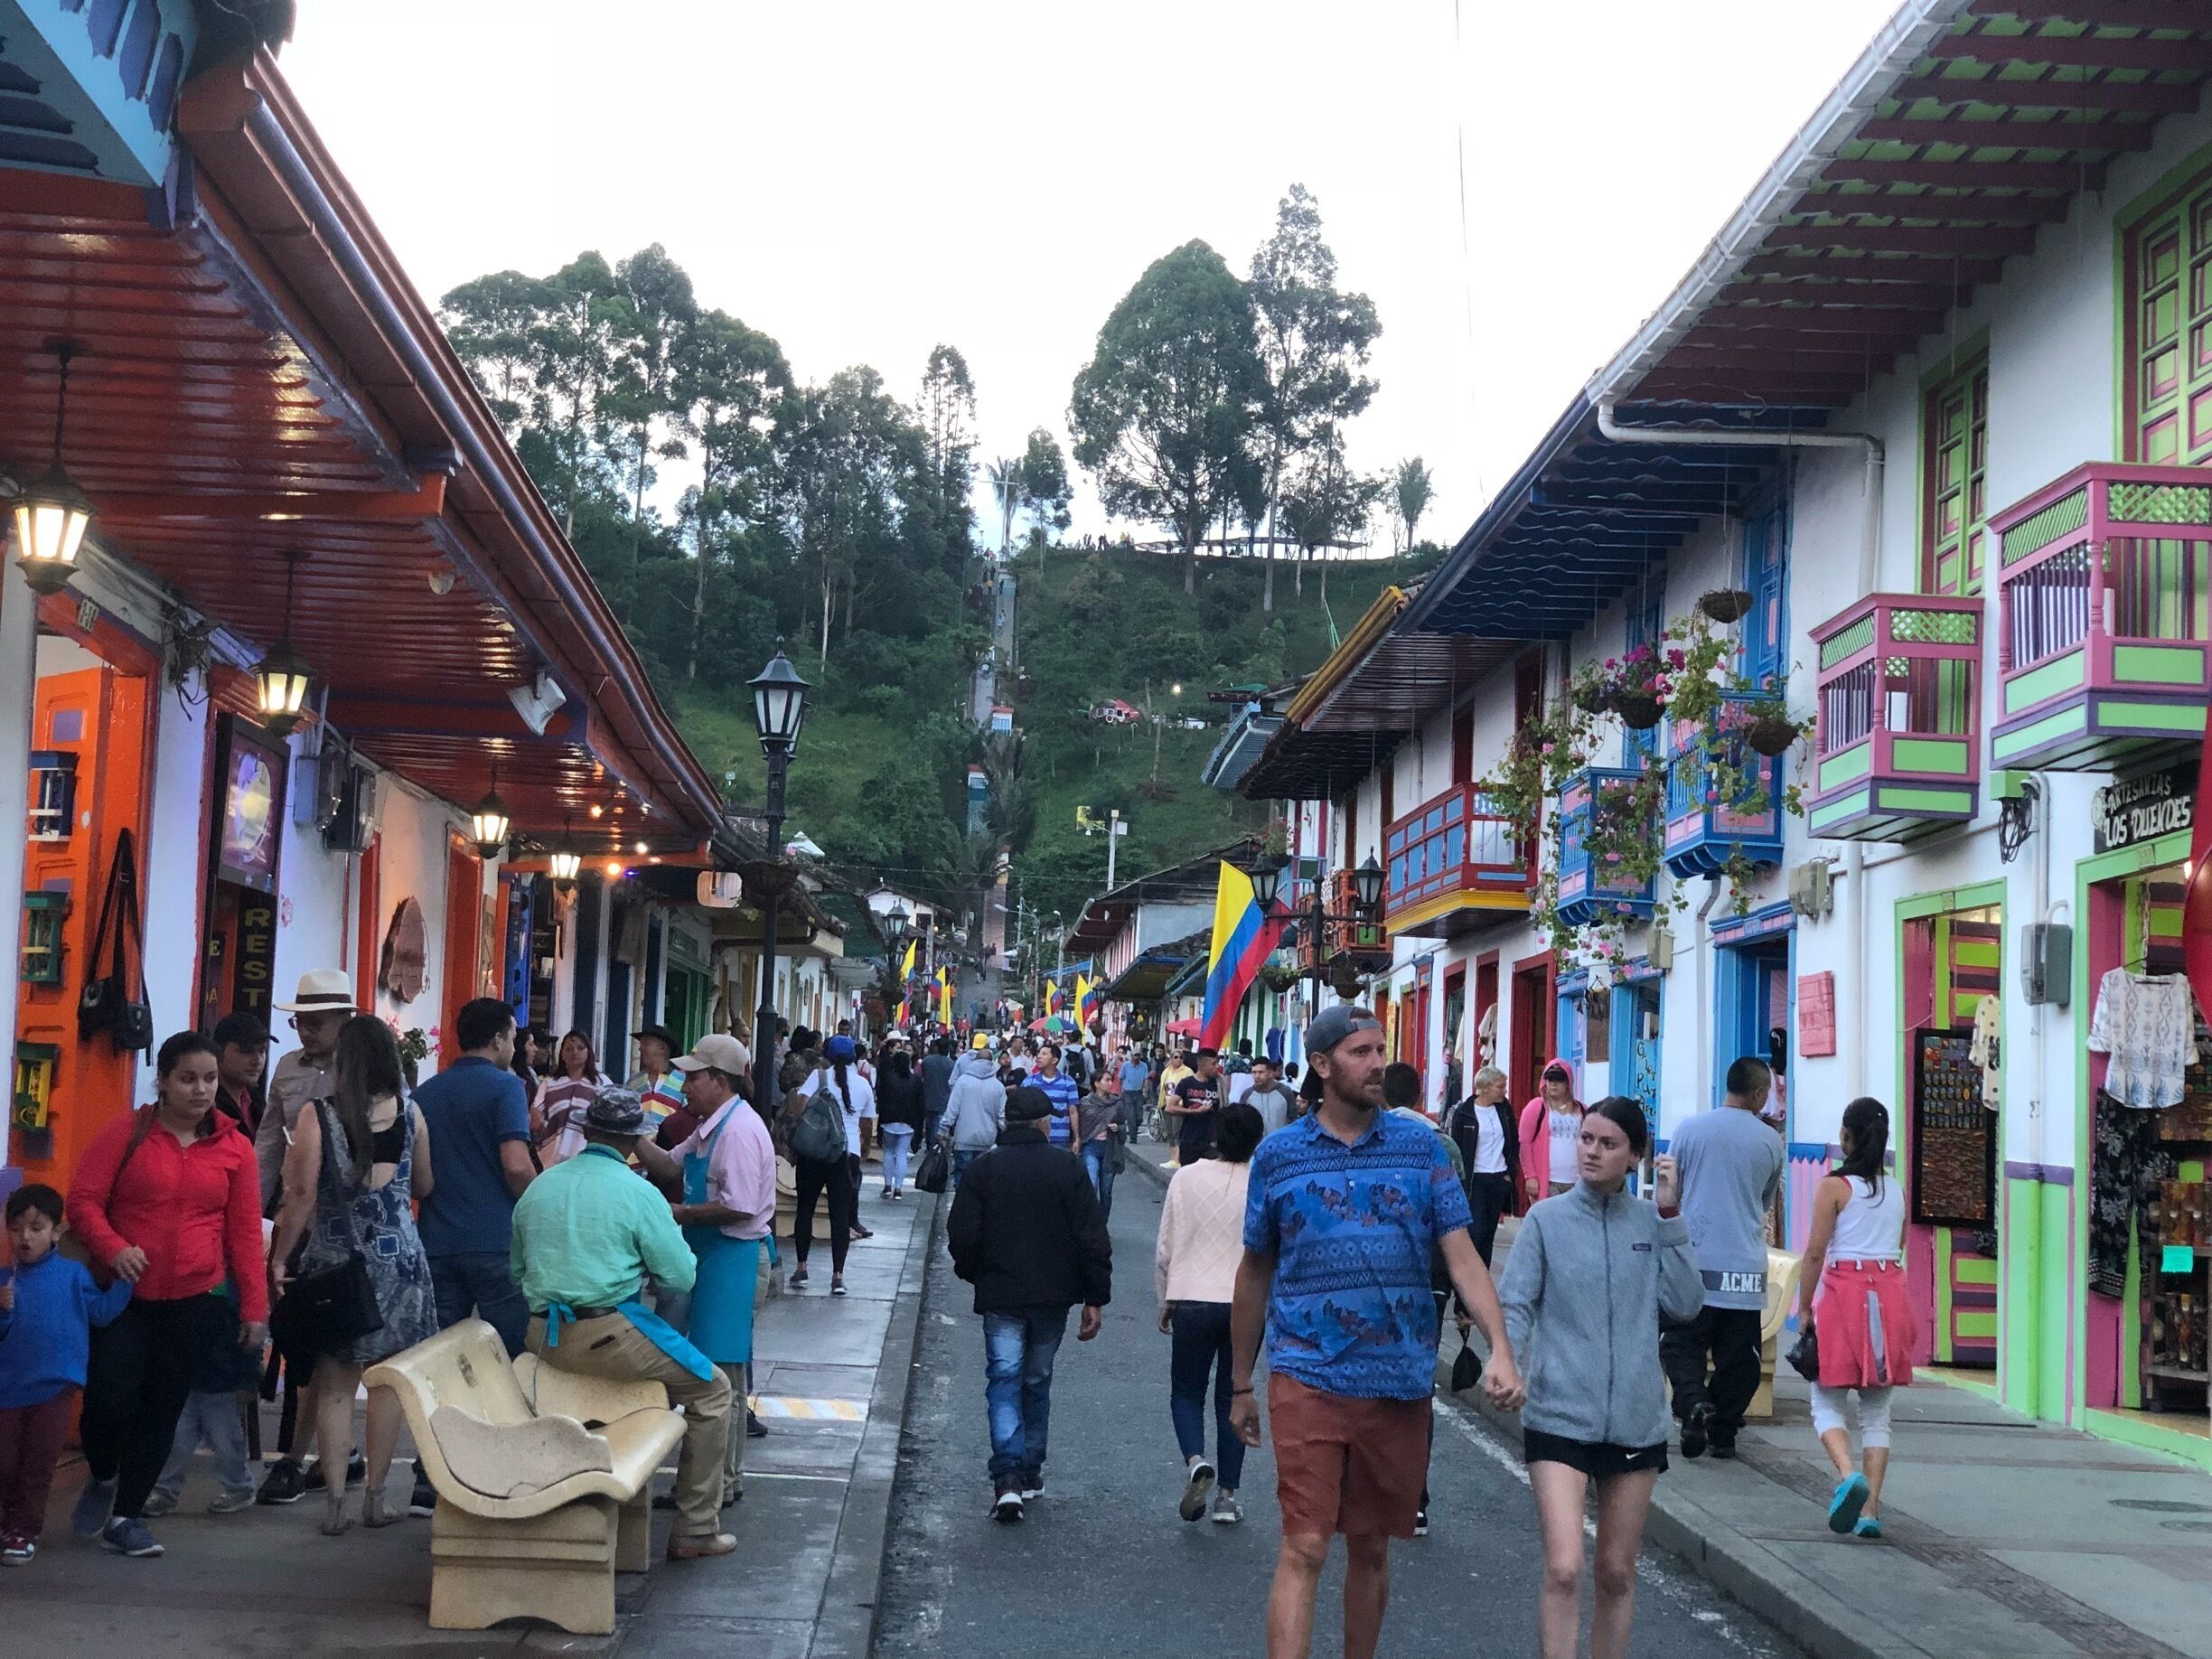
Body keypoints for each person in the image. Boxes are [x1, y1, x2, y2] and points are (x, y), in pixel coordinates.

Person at [1230, 1007, 1523, 1659]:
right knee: (1305, 1543)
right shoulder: (1278, 1157)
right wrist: (1240, 1382)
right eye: (1360, 1052)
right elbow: (1254, 1270)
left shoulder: (1420, 1147)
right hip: (1308, 1370)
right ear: (1324, 1064)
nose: (1377, 1063)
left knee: (1368, 1543)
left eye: (1380, 1050)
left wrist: (1501, 1347)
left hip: (1398, 1375)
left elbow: (1462, 1252)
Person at [1499, 1097, 1701, 1659]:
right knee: (1564, 1568)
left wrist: (1670, 1218)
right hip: (1559, 1414)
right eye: (1586, 1138)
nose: (1591, 1151)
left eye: (1608, 1144)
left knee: (1615, 1572)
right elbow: (1516, 1303)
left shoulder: (1650, 1224)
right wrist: (1507, 1362)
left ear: (1635, 1156)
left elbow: (1685, 1304)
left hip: (1636, 1422)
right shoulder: (1546, 1220)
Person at [510, 1089, 736, 1561]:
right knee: (714, 1391)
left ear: (587, 1131)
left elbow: (518, 1270)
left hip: (541, 1335)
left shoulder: (541, 1185)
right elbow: (680, 1275)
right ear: (635, 1141)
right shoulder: (639, 1193)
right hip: (607, 1337)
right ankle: (695, 1525)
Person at [67, 1031, 268, 1558]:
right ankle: (105, 1475)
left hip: (194, 1300)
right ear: (163, 1080)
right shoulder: (126, 1132)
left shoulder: (234, 1146)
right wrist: (114, 1249)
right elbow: (84, 1202)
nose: (200, 1090)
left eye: (208, 1079)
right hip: (123, 1298)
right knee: (108, 1403)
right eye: (187, 1078)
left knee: (162, 1409)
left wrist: (255, 1309)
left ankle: (128, 1516)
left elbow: (244, 1234)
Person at [268, 1016, 438, 1533]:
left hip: (337, 1263)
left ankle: (336, 1503)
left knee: (336, 1384)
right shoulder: (412, 1113)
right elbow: (425, 1185)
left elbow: (298, 1197)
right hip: (401, 1263)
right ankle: (376, 1498)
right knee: (386, 1385)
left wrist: (279, 1258)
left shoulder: (317, 1117)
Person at [945, 1086, 1111, 1523]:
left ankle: (1008, 1477)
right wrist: (1094, 1296)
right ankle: (1030, 1467)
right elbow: (1091, 1237)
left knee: (1003, 1378)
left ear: (1006, 1123)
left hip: (1001, 1293)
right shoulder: (1067, 1168)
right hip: (1052, 1297)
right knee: (1037, 1379)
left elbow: (961, 1234)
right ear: (1043, 1124)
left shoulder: (985, 1170)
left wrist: (975, 1271)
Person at [252, 970, 352, 1506]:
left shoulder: (365, 1071)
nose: (305, 1032)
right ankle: (305, 1455)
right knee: (300, 1340)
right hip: (297, 1216)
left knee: (329, 1345)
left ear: (344, 1021)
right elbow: (269, 1138)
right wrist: (247, 1208)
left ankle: (300, 1458)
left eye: (315, 1023)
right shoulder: (288, 1070)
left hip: (346, 1224)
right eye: (299, 1022)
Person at [667, 1036, 779, 1508]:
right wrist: (623, 1136)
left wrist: (679, 1213)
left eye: (693, 1076)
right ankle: (707, 1482)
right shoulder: (710, 1126)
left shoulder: (737, 1132)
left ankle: (718, 1484)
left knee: (722, 1379)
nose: (685, 1085)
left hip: (734, 1255)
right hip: (710, 1255)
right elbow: (668, 1164)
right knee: (714, 1375)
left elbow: (739, 1207)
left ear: (720, 1081)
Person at [1797, 1096, 1915, 1540]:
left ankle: (1848, 1476)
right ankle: (1870, 1510)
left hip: (1845, 1296)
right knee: (1876, 1412)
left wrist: (1805, 1306)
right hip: (1890, 1297)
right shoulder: (1898, 1190)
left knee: (1825, 1400)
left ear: (1846, 1137)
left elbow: (1815, 1251)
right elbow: (1898, 1246)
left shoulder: (1834, 1187)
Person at [0, 1185, 132, 1563]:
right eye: (16, 1227)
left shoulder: (74, 1275)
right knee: (5, 1463)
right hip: (7, 1390)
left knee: (38, 1465)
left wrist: (128, 1277)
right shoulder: (4, 1280)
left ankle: (24, 1530)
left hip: (56, 1388)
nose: (25, 1237)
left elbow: (101, 1312)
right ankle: (9, 1522)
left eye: (37, 1228)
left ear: (57, 1232)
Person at [1662, 1055, 1785, 1461]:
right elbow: (1764, 1202)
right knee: (1740, 1358)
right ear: (1759, 1093)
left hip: (1694, 1262)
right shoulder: (1770, 1141)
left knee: (1682, 1343)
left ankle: (1695, 1403)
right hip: (1744, 1269)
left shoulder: (1688, 1130)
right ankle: (1724, 1431)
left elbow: (1672, 1191)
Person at [1156, 1101, 1262, 1527]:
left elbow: (1166, 1246)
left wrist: (1165, 1300)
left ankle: (1196, 1460)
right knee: (1233, 1396)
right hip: (1245, 1305)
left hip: (1191, 1297)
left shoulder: (1186, 1177)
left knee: (1186, 1390)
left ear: (1217, 1135)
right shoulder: (1262, 1184)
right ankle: (1227, 1496)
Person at [411, 998, 534, 1355]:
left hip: (438, 1241)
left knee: (444, 1357)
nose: (513, 1046)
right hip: (497, 1241)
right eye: (512, 1037)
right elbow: (515, 1165)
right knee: (510, 1355)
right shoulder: (506, 1088)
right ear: (497, 1040)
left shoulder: (424, 1094)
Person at [142, 1282, 260, 1521]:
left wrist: (248, 1382)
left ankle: (239, 1486)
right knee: (176, 1440)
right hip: (189, 1381)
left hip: (221, 1384)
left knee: (226, 1442)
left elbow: (250, 1344)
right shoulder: (189, 1290)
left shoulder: (233, 1296)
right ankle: (164, 1490)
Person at [785, 1036, 874, 1296]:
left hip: (815, 1153)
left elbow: (798, 1109)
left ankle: (801, 1268)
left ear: (828, 1056)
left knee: (805, 1210)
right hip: (847, 1155)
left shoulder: (818, 1077)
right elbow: (867, 1124)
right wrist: (864, 1150)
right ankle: (838, 1276)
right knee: (840, 1216)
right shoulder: (863, 1084)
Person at [1445, 1065, 1521, 1266]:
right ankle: (1468, 1280)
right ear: (1485, 1087)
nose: (1504, 1090)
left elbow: (1514, 1141)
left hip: (1498, 1178)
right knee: (1476, 1231)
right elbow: (1456, 1147)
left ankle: (1482, 1281)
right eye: (1500, 1086)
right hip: (1475, 1179)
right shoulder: (1465, 1112)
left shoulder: (1504, 1110)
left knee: (1489, 1234)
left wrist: (1510, 1174)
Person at [535, 1029, 613, 1165]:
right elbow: (536, 1114)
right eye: (569, 1049)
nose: (574, 1052)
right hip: (552, 1158)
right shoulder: (550, 1084)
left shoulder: (602, 1083)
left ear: (588, 1052)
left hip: (590, 1157)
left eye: (580, 1048)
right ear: (562, 1054)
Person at [939, 1037, 1008, 1188]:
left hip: (963, 1137)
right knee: (984, 1178)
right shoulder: (998, 1086)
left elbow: (952, 1109)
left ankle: (961, 1206)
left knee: (962, 1175)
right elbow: (1002, 1116)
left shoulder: (963, 1082)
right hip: (987, 1139)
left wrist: (943, 1129)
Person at [1516, 1059, 1584, 1204]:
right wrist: (1530, 1176)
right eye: (1549, 1078)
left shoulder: (1583, 1110)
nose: (1553, 1083)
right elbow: (1525, 1144)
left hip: (1577, 1181)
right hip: (1547, 1181)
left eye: (1559, 1079)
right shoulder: (1536, 1107)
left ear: (1568, 1083)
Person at [1073, 1065, 1125, 1218]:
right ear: (1097, 1083)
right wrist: (1077, 1140)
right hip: (1091, 1147)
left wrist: (1118, 1128)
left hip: (1110, 1148)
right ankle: (1090, 1222)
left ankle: (1102, 1224)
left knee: (1106, 1191)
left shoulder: (1116, 1104)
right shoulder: (1085, 1103)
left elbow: (1123, 1126)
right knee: (1091, 1184)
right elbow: (1081, 1125)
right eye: (1107, 1080)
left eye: (1111, 1080)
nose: (1110, 1083)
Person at [875, 1046, 925, 1198]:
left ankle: (888, 1186)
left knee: (889, 1152)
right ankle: (898, 1189)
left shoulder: (887, 1078)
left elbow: (881, 1100)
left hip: (889, 1120)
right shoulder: (916, 1081)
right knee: (902, 1153)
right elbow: (920, 1105)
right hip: (908, 1122)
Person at [211, 1012, 269, 1137]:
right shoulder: (206, 1103)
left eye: (262, 1050)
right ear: (219, 1052)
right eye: (246, 1051)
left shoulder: (256, 1101)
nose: (257, 1060)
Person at [1167, 1047, 1225, 1167]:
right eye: (1213, 1064)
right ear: (1203, 1065)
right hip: (1190, 1140)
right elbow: (1170, 1107)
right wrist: (1194, 1111)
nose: (1217, 1067)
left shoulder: (1218, 1083)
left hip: (1211, 1141)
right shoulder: (1187, 1083)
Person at [628, 1026, 684, 1138]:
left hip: (670, 1150)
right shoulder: (633, 1082)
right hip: (634, 1151)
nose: (640, 1049)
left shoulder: (683, 1082)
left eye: (646, 1044)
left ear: (662, 1048)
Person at [1032, 1042, 1080, 1148]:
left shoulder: (1068, 1082)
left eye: (1044, 1054)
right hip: (1036, 1139)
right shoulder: (1029, 1082)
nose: (1039, 1056)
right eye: (1039, 1053)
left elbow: (1073, 1111)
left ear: (1054, 1060)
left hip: (1061, 1138)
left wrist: (1076, 1138)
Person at [1243, 1055, 1297, 1136]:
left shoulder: (1285, 1092)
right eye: (1254, 1072)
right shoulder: (1247, 1095)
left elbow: (1293, 1119)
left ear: (1271, 1073)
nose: (1257, 1076)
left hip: (1280, 1144)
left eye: (1261, 1072)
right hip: (1256, 1145)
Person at [921, 1036, 956, 1145]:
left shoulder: (927, 1061)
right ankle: (934, 1146)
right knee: (937, 1124)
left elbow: (922, 1077)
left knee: (929, 1123)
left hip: (928, 1097)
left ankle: (929, 1144)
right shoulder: (951, 1064)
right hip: (944, 1100)